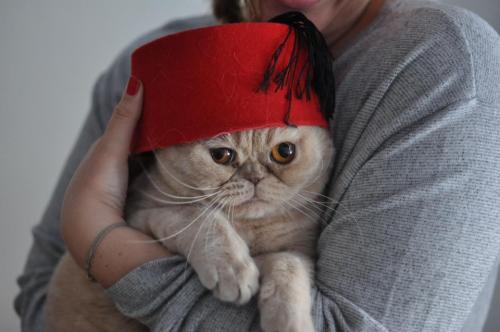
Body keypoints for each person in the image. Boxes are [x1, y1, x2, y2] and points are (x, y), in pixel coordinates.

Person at [14, 0, 500, 331]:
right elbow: (39, 303)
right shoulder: (148, 70)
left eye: (284, 153)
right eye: (224, 155)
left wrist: (102, 241)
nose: (254, 180)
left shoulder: (439, 61)